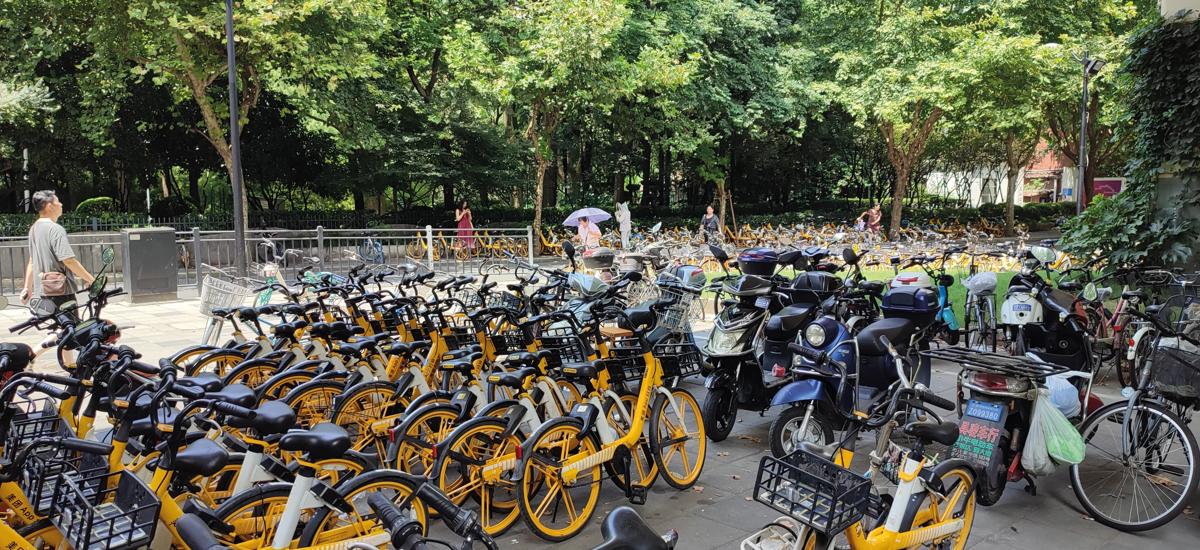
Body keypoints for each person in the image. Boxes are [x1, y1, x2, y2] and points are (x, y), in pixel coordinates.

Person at [21, 190, 95, 314]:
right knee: (70, 329)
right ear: (49, 206)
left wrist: (27, 288)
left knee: (55, 328)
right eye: (58, 202)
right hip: (60, 292)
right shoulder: (55, 229)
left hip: (42, 292)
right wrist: (91, 279)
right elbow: (69, 260)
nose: (61, 204)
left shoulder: (34, 229)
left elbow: (32, 261)